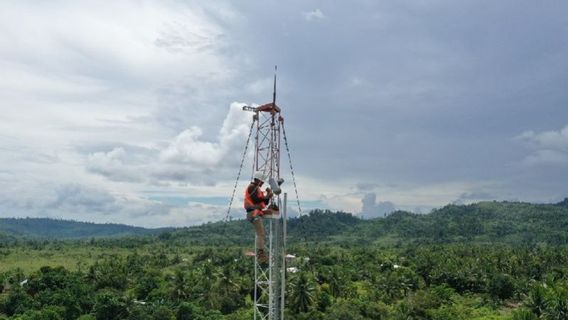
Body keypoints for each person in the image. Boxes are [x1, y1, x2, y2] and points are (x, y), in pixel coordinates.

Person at [244, 171, 278, 264]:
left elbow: (263, 202)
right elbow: (256, 200)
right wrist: (268, 195)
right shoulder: (252, 187)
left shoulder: (257, 189)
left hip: (256, 213)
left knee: (262, 235)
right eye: (262, 181)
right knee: (261, 234)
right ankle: (260, 255)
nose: (263, 183)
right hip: (253, 213)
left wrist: (268, 196)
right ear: (258, 180)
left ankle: (261, 254)